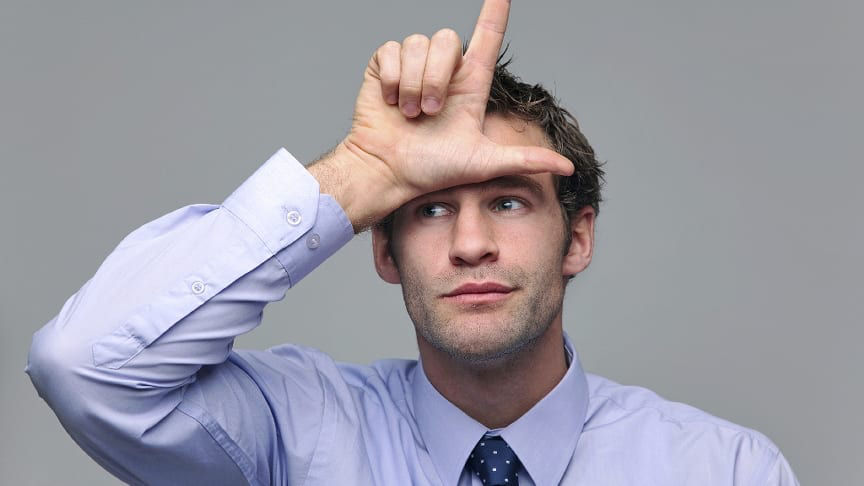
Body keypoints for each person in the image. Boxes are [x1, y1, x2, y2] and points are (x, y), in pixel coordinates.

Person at [26, 1, 798, 484]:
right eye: (429, 211)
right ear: (384, 253)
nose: (470, 244)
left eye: (507, 201)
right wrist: (362, 175)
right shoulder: (293, 438)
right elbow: (86, 368)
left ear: (579, 237)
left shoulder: (725, 471)